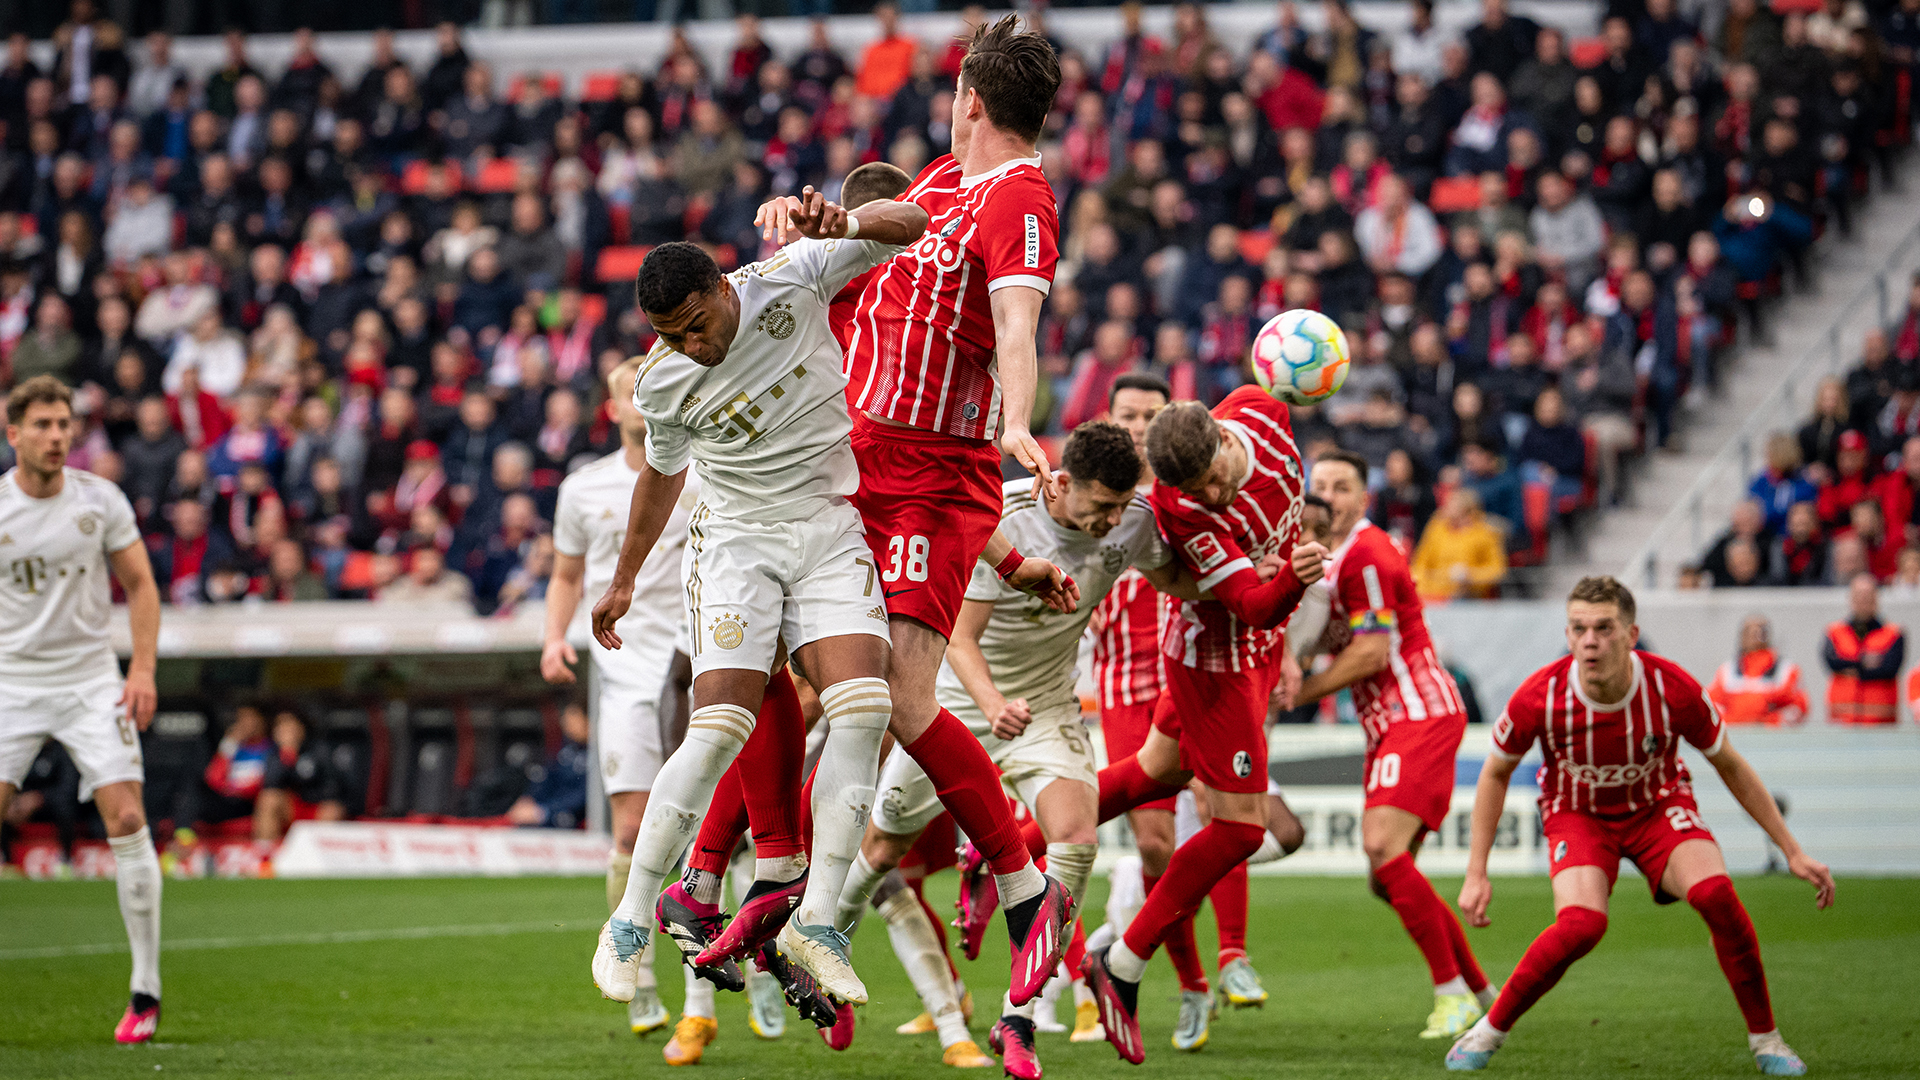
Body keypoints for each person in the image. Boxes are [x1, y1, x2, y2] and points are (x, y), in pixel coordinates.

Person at [587, 187, 1006, 1043]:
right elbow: (661, 477)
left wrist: (844, 222)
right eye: (670, 335)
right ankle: (631, 914)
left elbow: (914, 224)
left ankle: (817, 923)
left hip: (825, 529)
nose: (689, 345)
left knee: (866, 704)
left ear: (723, 290)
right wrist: (625, 579)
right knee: (718, 728)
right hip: (736, 545)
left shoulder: (793, 277)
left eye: (697, 324)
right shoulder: (664, 382)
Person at [835, 14, 1080, 1017]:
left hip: (937, 475)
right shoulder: (938, 182)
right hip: (860, 460)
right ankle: (760, 891)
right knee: (812, 676)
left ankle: (1019, 876)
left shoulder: (1020, 199)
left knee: (901, 698)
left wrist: (1020, 418)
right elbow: (861, 254)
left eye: (955, 89)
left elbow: (1017, 323)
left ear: (971, 96)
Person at [838, 421, 1208, 1076]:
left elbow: (1180, 578)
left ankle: (1021, 1015)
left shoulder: (1132, 521)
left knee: (1075, 840)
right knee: (885, 843)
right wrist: (989, 707)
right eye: (1100, 507)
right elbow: (959, 636)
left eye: (1121, 508)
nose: (1111, 521)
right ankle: (828, 946)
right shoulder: (1001, 518)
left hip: (1044, 709)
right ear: (1061, 484)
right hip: (953, 701)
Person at [1449, 576, 1834, 1075]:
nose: (1590, 640)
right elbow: (1495, 772)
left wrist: (1791, 849)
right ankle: (1488, 1031)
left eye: (1604, 628)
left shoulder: (1672, 689)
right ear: (1568, 635)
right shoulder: (1539, 696)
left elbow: (1731, 766)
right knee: (1583, 925)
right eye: (1579, 629)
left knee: (1717, 896)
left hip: (1658, 807)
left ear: (1631, 634)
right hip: (1578, 814)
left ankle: (1768, 1042)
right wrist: (1476, 870)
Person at [1083, 387, 1329, 1065]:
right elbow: (1250, 605)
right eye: (1199, 489)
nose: (1213, 496)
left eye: (1214, 479)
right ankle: (1126, 961)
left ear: (1225, 436)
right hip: (1215, 665)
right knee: (1243, 828)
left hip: (1246, 658)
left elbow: (1265, 388)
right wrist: (1295, 579)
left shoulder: (1261, 411)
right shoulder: (1180, 502)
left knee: (1152, 774)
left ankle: (1011, 840)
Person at [542, 353, 747, 1042]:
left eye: (646, 386)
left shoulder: (703, 469)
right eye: (627, 391)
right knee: (632, 832)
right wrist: (551, 639)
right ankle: (642, 980)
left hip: (699, 659)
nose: (639, 398)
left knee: (708, 831)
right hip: (624, 666)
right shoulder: (583, 488)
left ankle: (714, 989)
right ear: (614, 409)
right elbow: (568, 575)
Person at [1296, 450, 1493, 1038]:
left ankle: (1451, 993)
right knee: (1388, 873)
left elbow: (1373, 651)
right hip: (1388, 723)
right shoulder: (1325, 561)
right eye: (1320, 484)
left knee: (1382, 845)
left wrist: (1301, 690)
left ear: (1363, 499)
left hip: (1420, 712)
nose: (1328, 495)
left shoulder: (1368, 552)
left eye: (1342, 486)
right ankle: (1482, 991)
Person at [0, 375, 163, 1042]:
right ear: (13, 434)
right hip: (10, 680)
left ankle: (145, 992)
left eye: (64, 423)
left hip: (91, 679)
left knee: (126, 814)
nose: (57, 435)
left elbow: (141, 584)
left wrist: (143, 669)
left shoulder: (101, 500)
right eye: (42, 424)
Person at [1821, 573, 1904, 724]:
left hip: (1880, 721)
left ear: (1876, 598)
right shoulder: (1834, 632)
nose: (1863, 600)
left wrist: (1849, 668)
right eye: (1859, 595)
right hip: (1843, 720)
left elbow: (1889, 669)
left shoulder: (1893, 633)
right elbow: (1833, 663)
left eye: (1868, 595)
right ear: (1851, 598)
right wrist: (1864, 662)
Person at [1708, 616, 1809, 726]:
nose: (1754, 634)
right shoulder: (1727, 670)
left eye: (1759, 630)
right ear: (1742, 636)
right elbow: (1713, 704)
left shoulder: (1786, 670)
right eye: (1749, 631)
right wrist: (1731, 724)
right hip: (1736, 737)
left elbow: (1798, 706)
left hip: (1773, 738)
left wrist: (1770, 723)